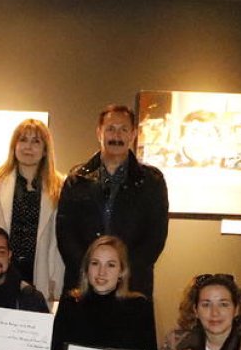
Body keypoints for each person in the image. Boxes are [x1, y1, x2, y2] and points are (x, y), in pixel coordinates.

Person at [56, 104, 168, 299]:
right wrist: (92, 271)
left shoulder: (152, 182)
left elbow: (154, 239)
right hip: (83, 285)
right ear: (99, 132)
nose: (116, 136)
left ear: (133, 134)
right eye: (110, 129)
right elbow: (65, 234)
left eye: (123, 129)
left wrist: (120, 273)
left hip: (132, 286)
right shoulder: (77, 180)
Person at [0, 118, 64, 303]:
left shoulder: (59, 187)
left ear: (45, 150)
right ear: (14, 146)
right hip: (4, 270)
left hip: (41, 272)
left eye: (36, 141)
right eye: (23, 140)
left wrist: (56, 280)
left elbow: (59, 242)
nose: (28, 147)